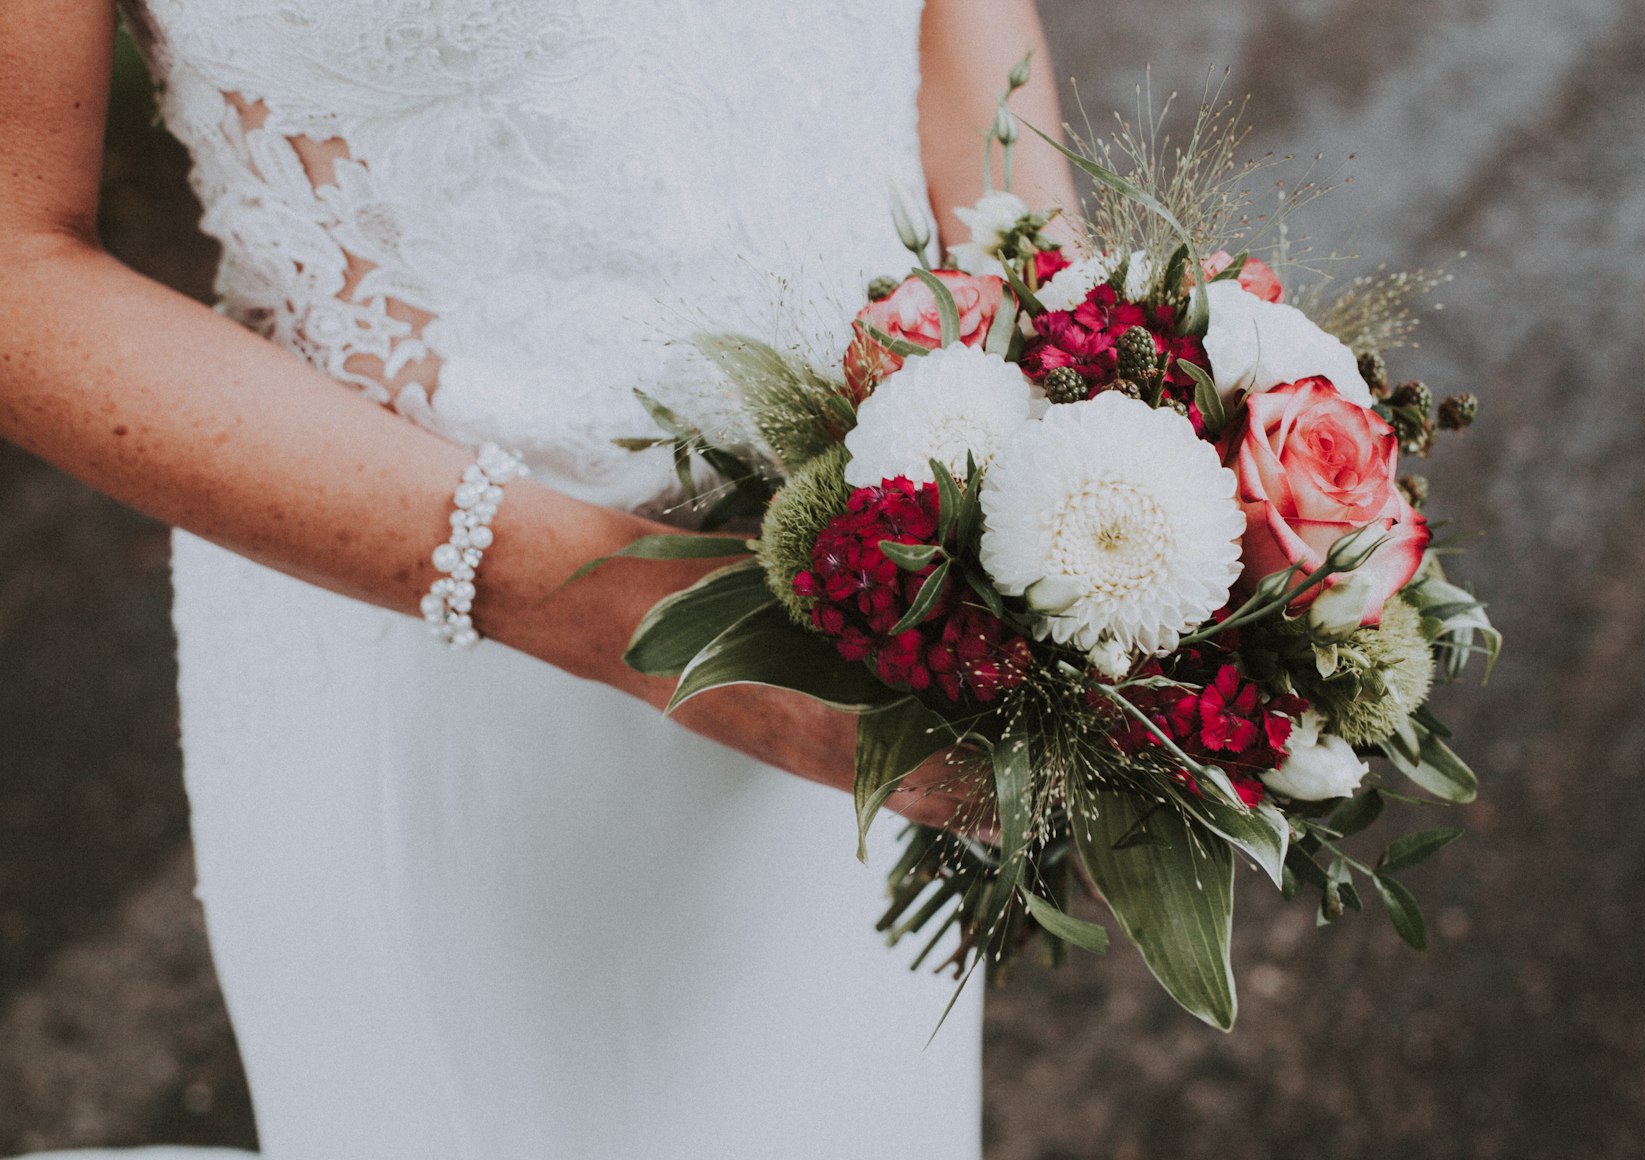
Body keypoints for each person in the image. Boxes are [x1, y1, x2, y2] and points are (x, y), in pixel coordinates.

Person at [0, 0, 1076, 1156]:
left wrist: (1081, 386)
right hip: (449, 662)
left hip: (887, 624)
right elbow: (20, 265)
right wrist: (638, 616)